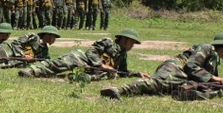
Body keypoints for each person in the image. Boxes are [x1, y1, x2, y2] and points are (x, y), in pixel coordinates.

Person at [101, 32, 223, 99]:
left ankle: (184, 93)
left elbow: (208, 78)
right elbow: (191, 66)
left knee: (208, 89)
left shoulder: (213, 58)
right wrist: (214, 78)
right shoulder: (207, 48)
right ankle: (118, 90)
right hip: (176, 68)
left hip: (183, 76)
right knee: (155, 83)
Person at [18, 28, 148, 79]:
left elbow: (122, 71)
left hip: (93, 71)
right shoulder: (108, 42)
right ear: (124, 39)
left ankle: (78, 77)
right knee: (56, 65)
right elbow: (91, 51)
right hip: (83, 59)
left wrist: (136, 73)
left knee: (109, 75)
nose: (132, 46)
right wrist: (100, 65)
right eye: (131, 42)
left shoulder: (123, 54)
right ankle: (32, 71)